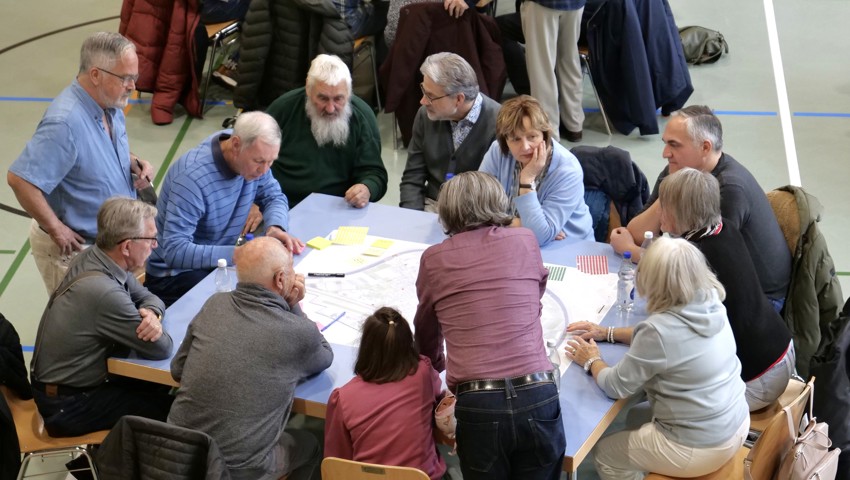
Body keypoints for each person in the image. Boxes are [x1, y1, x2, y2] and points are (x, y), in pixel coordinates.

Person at [414, 171, 565, 479]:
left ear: (446, 212)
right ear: (498, 202)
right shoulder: (525, 240)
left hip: (478, 401)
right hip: (538, 390)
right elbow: (534, 300)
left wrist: (438, 364)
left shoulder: (433, 259)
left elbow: (426, 332)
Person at [565, 237, 750, 480]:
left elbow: (615, 386)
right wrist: (607, 333)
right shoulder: (710, 302)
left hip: (700, 446)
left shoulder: (658, 332)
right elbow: (668, 341)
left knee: (605, 454)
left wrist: (591, 360)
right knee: (634, 416)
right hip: (736, 422)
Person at [168, 237, 333, 480]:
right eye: (290, 270)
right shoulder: (297, 332)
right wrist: (294, 305)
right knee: (312, 441)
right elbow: (324, 355)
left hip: (176, 456)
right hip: (238, 468)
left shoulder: (215, 304)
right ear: (280, 279)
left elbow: (178, 369)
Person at [7, 32, 155, 293]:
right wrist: (56, 229)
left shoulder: (111, 104)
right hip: (75, 250)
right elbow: (20, 180)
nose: (132, 86)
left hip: (105, 244)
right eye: (126, 78)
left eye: (135, 78)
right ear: (96, 75)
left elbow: (98, 150)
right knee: (80, 326)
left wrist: (133, 162)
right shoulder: (65, 123)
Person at [610, 105, 791, 310]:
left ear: (705, 147)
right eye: (665, 144)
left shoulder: (729, 189)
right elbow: (638, 234)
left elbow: (696, 269)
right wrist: (670, 194)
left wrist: (631, 251)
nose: (665, 153)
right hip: (713, 277)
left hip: (758, 298)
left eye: (674, 145)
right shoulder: (681, 169)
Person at [29, 197, 173, 438]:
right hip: (68, 407)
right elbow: (162, 347)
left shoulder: (97, 257)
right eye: (151, 239)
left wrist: (153, 314)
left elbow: (149, 297)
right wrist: (154, 326)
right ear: (127, 246)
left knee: (157, 387)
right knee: (175, 410)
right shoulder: (104, 291)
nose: (155, 245)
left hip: (64, 389)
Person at [658, 168, 795, 411]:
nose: (660, 212)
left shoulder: (694, 258)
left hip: (757, 379)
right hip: (781, 350)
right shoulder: (724, 228)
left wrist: (612, 332)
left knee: (665, 395)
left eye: (664, 205)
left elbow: (670, 330)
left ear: (681, 211)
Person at [145, 111, 303, 307]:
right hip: (175, 277)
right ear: (236, 145)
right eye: (259, 162)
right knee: (258, 304)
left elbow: (273, 196)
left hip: (218, 264)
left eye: (271, 162)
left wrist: (276, 227)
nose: (264, 170)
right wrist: (238, 255)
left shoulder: (253, 149)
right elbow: (175, 251)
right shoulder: (191, 179)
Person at [324, 307, 446, 479]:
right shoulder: (423, 373)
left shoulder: (343, 398)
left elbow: (338, 459)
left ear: (365, 347)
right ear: (408, 344)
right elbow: (437, 392)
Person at [266, 54, 387, 208]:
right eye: (323, 98)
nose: (330, 109)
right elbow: (251, 161)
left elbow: (374, 173)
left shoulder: (362, 117)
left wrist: (366, 188)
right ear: (308, 91)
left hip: (338, 207)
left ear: (349, 94)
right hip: (281, 204)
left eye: (338, 99)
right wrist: (256, 201)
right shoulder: (282, 110)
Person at [479, 95, 593, 246]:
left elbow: (539, 237)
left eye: (532, 137)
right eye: (515, 139)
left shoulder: (568, 170)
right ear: (505, 140)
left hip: (566, 247)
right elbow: (475, 208)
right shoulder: (498, 151)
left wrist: (526, 181)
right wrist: (522, 225)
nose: (525, 147)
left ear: (545, 135)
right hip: (510, 238)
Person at [399, 52, 501, 212]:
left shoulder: (499, 124)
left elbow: (497, 195)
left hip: (475, 214)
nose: (423, 101)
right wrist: (411, 217)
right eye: (423, 91)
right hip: (431, 207)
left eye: (430, 96)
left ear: (459, 99)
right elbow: (413, 177)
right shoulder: (424, 116)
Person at [521, 0, 584, 142]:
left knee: (542, 69)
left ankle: (549, 130)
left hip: (543, 4)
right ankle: (574, 124)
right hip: (575, 4)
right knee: (570, 60)